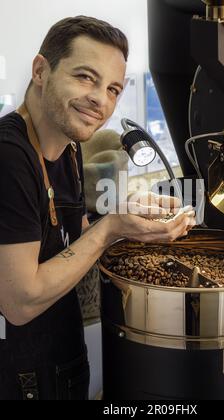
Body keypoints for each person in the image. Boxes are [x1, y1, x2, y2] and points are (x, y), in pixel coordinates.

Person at [0, 16, 196, 400]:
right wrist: (112, 230)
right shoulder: (10, 157)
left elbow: (72, 240)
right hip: (20, 378)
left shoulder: (69, 146)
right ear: (41, 70)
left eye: (113, 89)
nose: (101, 100)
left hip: (64, 361)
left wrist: (123, 215)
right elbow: (20, 302)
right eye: (86, 77)